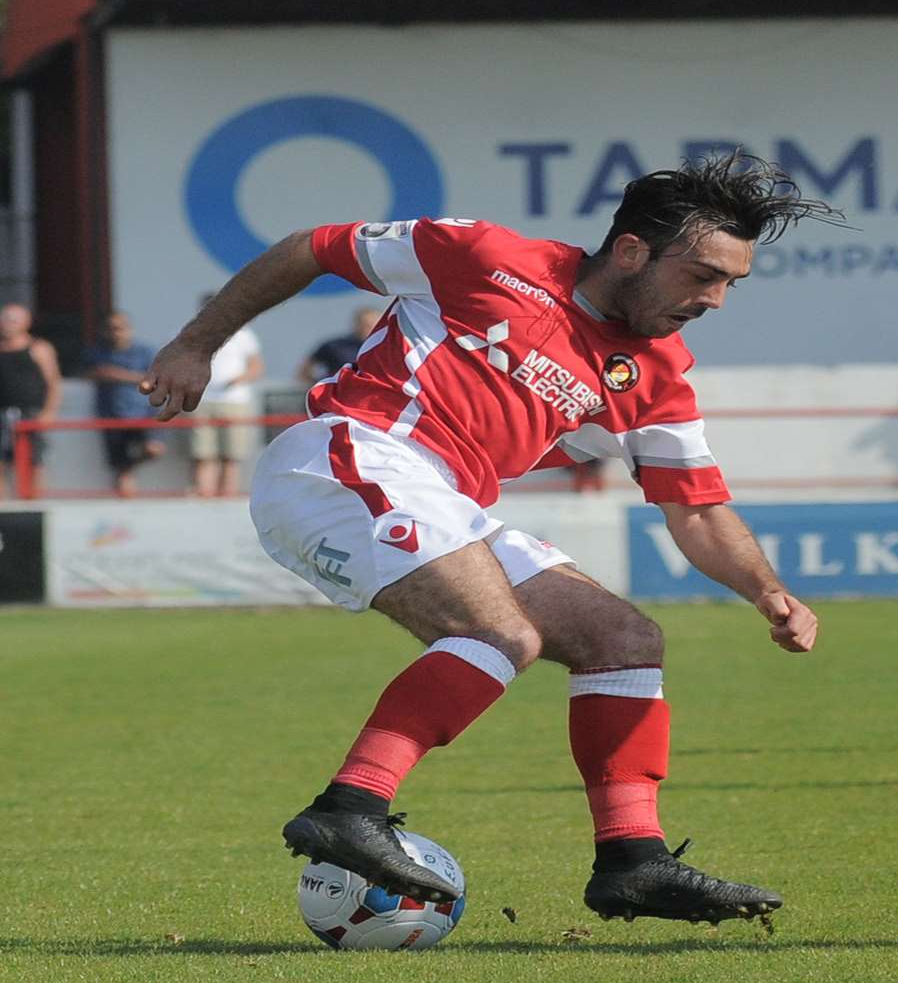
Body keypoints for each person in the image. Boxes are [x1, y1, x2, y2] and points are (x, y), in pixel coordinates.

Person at [140, 154, 833, 926]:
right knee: (498, 632)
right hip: (348, 455)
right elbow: (310, 249)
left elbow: (697, 508)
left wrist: (766, 592)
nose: (715, 299)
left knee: (625, 638)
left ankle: (632, 860)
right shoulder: (483, 256)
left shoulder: (655, 369)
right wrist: (196, 344)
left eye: (731, 282)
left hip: (443, 499)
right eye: (704, 275)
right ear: (633, 250)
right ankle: (350, 803)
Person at [188, 299, 264, 498]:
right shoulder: (191, 335)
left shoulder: (244, 335)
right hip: (200, 400)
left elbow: (256, 367)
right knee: (203, 454)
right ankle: (205, 495)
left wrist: (238, 380)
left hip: (234, 401)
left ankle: (227, 496)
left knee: (232, 455)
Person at [85, 312, 163, 497]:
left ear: (129, 329)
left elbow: (156, 378)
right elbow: (94, 373)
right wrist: (137, 377)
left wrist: (116, 374)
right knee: (121, 469)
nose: (116, 332)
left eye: (120, 328)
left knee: (153, 449)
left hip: (144, 413)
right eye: (111, 328)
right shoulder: (97, 352)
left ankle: (127, 469)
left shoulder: (145, 351)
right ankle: (127, 509)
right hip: (112, 415)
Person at [0, 303, 62, 498]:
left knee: (34, 460)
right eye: (5, 319)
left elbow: (54, 384)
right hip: (2, 413)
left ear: (26, 322)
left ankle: (32, 502)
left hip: (31, 413)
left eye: (13, 319)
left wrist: (49, 412)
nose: (7, 324)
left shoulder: (39, 348)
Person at [300, 307, 383, 385]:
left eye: (373, 324)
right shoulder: (335, 346)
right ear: (356, 325)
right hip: (342, 395)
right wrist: (320, 385)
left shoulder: (385, 347)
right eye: (365, 324)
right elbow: (306, 367)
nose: (369, 328)